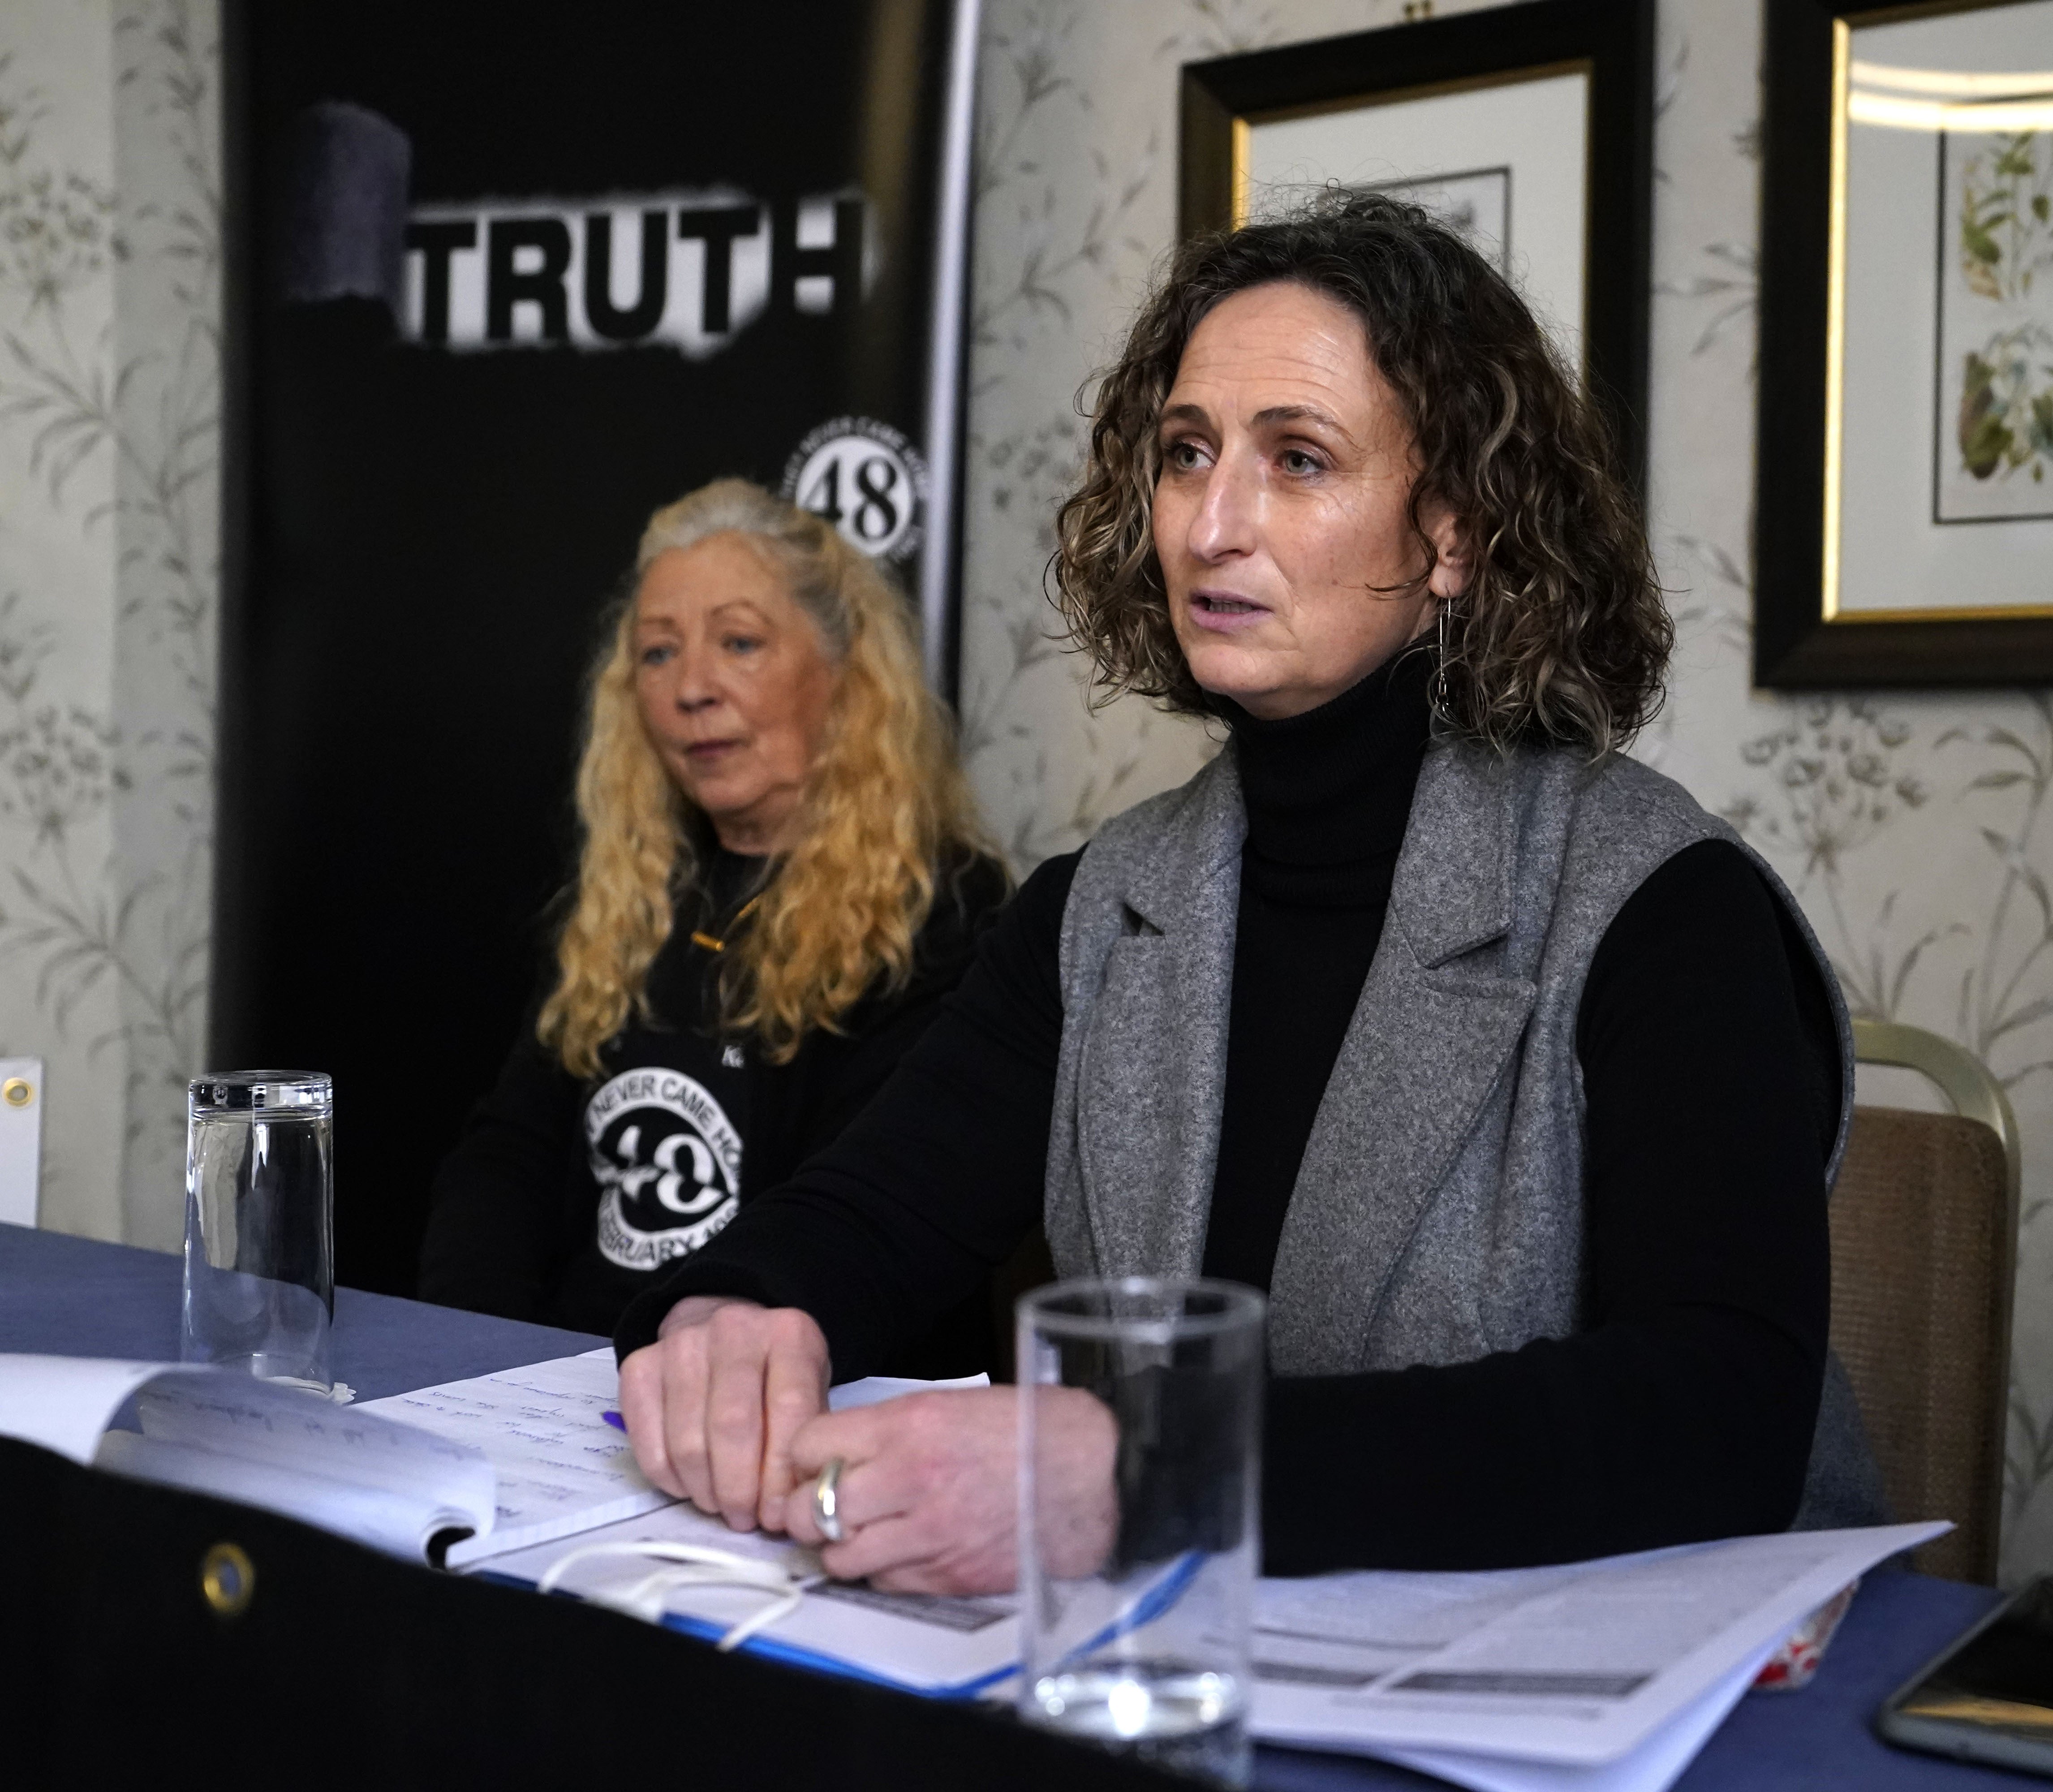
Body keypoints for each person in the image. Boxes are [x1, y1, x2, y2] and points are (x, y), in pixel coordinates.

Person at [613, 193, 1877, 1594]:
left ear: (1453, 535)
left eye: (1298, 460)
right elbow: (866, 1220)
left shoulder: (1666, 904)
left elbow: (1719, 1417)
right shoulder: (1101, 906)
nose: (1212, 525)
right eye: (1186, 454)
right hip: (1213, 1679)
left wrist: (1143, 1477)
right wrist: (739, 1309)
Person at [418, 478, 1008, 1365]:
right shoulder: (638, 889)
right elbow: (510, 1156)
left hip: (778, 1397)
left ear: (844, 672)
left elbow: (863, 1223)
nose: (692, 687)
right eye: (657, 654)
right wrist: (475, 1360)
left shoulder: (945, 910)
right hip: (564, 1390)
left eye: (739, 642)